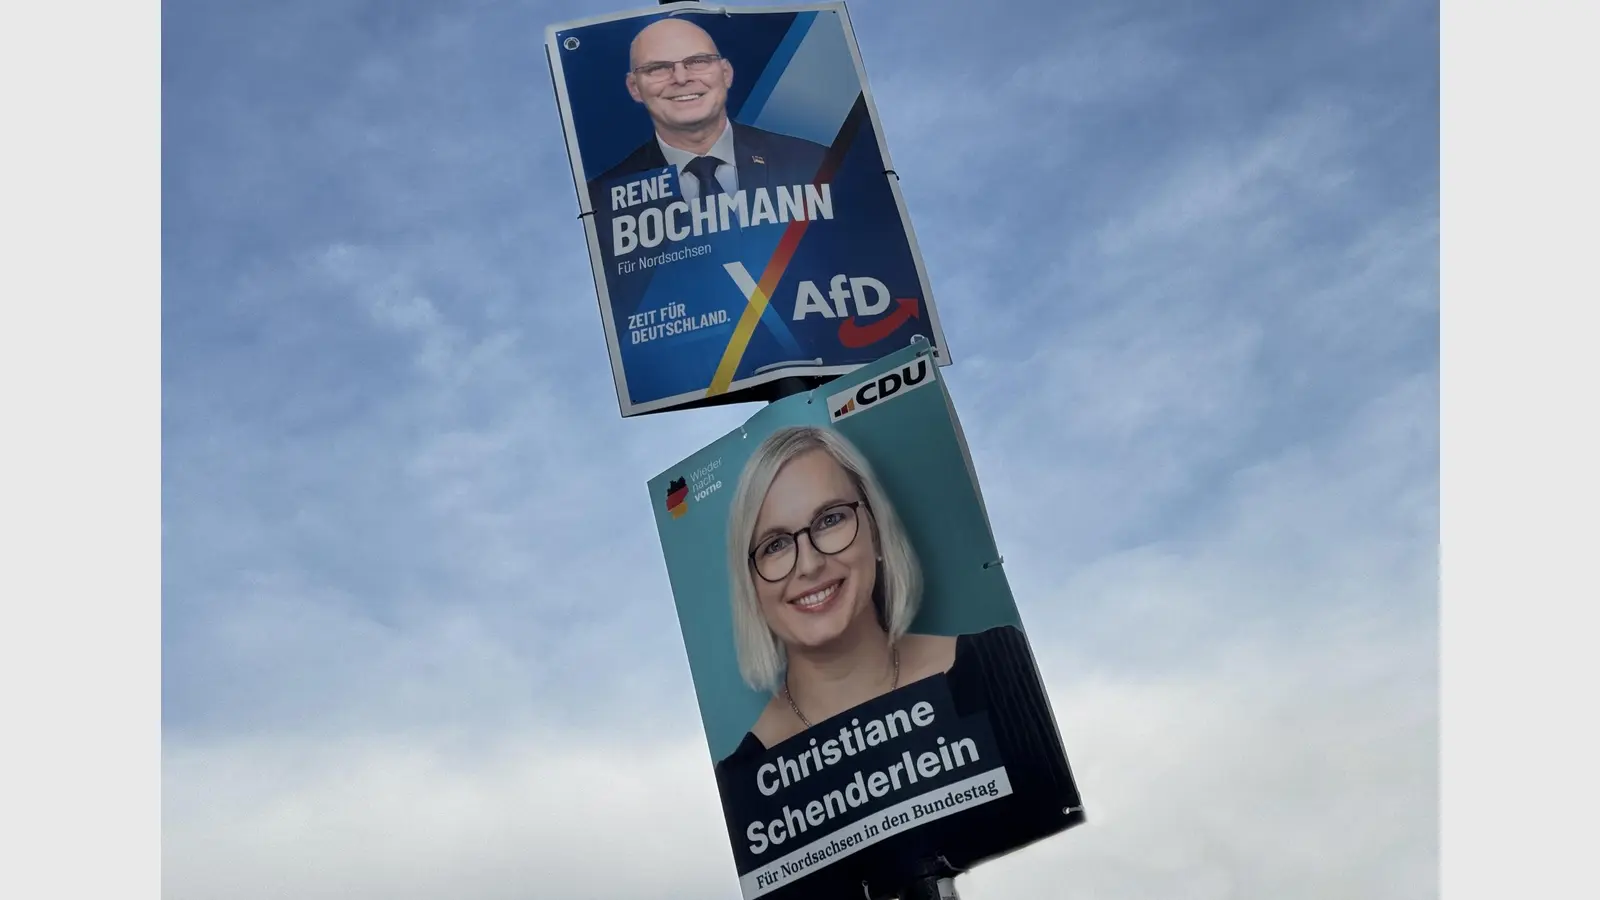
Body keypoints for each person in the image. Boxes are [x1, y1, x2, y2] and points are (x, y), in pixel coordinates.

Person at [586, 16, 830, 211]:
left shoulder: (815, 164)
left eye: (698, 61)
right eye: (658, 68)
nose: (681, 78)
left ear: (726, 74)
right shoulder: (603, 202)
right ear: (634, 88)